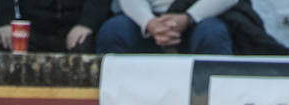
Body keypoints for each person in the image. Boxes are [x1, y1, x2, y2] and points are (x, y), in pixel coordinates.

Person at [96, 0, 239, 53]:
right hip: (147, 18)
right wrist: (149, 22)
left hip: (198, 15)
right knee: (113, 31)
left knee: (212, 35)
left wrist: (188, 18)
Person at [0, 0, 112, 53]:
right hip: (32, 27)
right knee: (7, 42)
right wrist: (6, 21)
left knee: (83, 43)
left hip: (74, 27)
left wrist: (86, 23)